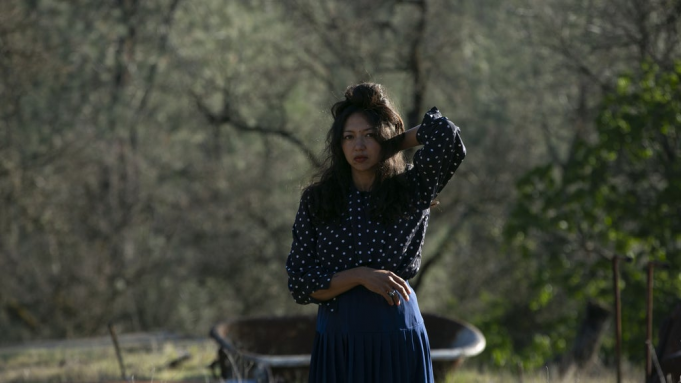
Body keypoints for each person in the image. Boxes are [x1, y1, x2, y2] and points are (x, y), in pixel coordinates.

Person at [285, 82, 466, 383]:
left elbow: (447, 135)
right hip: (338, 344)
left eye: (369, 136)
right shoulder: (318, 200)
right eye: (349, 137)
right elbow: (300, 283)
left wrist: (392, 143)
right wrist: (360, 275)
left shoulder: (410, 190)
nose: (359, 146)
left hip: (397, 338)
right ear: (338, 145)